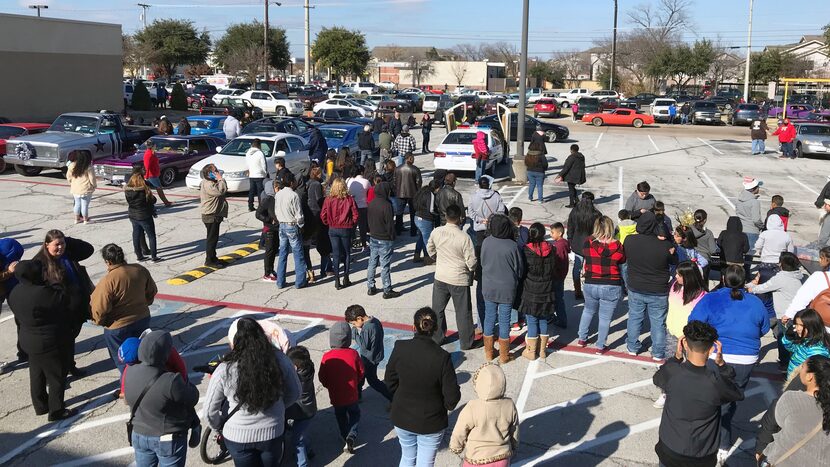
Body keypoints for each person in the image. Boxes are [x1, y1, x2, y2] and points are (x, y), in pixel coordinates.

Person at [689, 265, 770, 462]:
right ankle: (723, 444)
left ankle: (705, 437)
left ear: (723, 279)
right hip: (745, 360)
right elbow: (764, 328)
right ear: (745, 281)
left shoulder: (711, 298)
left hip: (716, 355)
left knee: (709, 399)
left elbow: (694, 322)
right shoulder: (755, 302)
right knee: (729, 400)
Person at [205, 318, 301, 465]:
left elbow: (209, 411)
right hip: (272, 430)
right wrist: (279, 408)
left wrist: (219, 428)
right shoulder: (280, 360)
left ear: (235, 342)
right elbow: (295, 392)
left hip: (237, 436)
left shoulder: (225, 369)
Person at [653, 321, 744, 467]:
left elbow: (657, 378)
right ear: (711, 350)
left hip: (670, 448)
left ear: (685, 345)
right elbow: (737, 393)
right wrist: (722, 366)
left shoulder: (672, 372)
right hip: (701, 455)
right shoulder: (716, 382)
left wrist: (676, 358)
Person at [385, 307, 461, 467]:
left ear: (414, 327)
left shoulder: (400, 348)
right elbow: (452, 399)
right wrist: (443, 406)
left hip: (402, 416)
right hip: (431, 421)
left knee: (407, 457)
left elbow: (389, 381)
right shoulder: (442, 357)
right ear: (435, 329)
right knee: (425, 462)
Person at [8, 260, 75, 420]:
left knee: (36, 374)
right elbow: (63, 299)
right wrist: (55, 282)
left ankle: (41, 405)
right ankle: (56, 410)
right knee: (56, 376)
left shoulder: (15, 292)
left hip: (28, 339)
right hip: (48, 341)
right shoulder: (43, 293)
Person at [124, 330, 199, 467]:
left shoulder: (129, 370)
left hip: (139, 434)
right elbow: (192, 397)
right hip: (166, 438)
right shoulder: (170, 380)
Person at [33, 230, 95, 378]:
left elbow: (88, 249)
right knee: (58, 346)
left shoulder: (68, 254)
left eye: (63, 243)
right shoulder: (40, 262)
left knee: (69, 341)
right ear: (47, 245)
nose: (60, 247)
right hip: (58, 312)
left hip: (75, 310)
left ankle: (70, 366)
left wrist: (67, 239)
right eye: (57, 244)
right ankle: (55, 375)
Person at [90, 244, 157, 376]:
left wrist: (100, 321)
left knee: (123, 360)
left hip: (118, 327)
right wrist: (143, 305)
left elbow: (99, 309)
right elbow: (151, 291)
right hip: (142, 318)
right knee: (142, 353)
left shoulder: (108, 281)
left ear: (107, 261)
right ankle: (148, 377)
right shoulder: (139, 270)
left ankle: (128, 387)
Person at [653, 261, 707, 409]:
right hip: (672, 334)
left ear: (688, 277)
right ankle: (665, 393)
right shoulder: (674, 287)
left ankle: (687, 396)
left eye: (679, 274)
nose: (675, 276)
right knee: (670, 365)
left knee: (690, 368)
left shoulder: (702, 295)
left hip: (690, 339)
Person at [759, 355, 830, 466]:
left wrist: (761, 449)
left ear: (809, 377)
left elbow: (776, 421)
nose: (800, 369)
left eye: (802, 367)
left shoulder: (791, 399)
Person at [624, 211, 677, 360]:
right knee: (658, 322)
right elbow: (674, 261)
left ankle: (633, 347)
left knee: (634, 317)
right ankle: (658, 352)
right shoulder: (665, 245)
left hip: (636, 286)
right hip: (658, 289)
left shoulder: (630, 240)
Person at [449, 363, 519, 467]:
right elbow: (514, 429)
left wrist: (456, 447)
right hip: (502, 457)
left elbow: (460, 431)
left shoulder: (472, 406)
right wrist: (514, 445)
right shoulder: (509, 404)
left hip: (476, 458)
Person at [427, 204, 477, 349]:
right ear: (460, 218)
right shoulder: (464, 237)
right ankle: (466, 342)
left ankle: (437, 337)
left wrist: (438, 259)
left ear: (446, 216)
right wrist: (471, 269)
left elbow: (430, 249)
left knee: (437, 310)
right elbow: (471, 261)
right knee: (463, 312)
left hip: (441, 276)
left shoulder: (437, 232)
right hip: (459, 279)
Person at [576, 216, 626, 355]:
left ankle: (582, 338)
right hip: (611, 284)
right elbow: (622, 260)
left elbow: (585, 254)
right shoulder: (618, 246)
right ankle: (600, 345)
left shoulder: (588, 242)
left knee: (588, 311)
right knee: (605, 318)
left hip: (591, 282)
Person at [747, 252, 804, 370]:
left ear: (782, 264)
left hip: (785, 315)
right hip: (797, 313)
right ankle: (790, 362)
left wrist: (750, 289)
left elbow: (764, 287)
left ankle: (785, 365)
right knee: (793, 339)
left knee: (783, 339)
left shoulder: (782, 277)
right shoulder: (797, 275)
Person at [481, 213, 524, 363]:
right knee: (505, 320)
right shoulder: (512, 246)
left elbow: (482, 262)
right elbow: (519, 269)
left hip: (488, 286)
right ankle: (504, 355)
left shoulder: (486, 242)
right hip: (506, 288)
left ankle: (489, 352)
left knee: (489, 318)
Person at [318, 321, 364, 454]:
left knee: (340, 416)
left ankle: (345, 436)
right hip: (351, 395)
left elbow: (322, 377)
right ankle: (352, 434)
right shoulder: (353, 354)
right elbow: (361, 372)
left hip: (336, 396)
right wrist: (357, 382)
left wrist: (329, 386)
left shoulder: (327, 357)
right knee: (355, 414)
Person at [519, 223, 558, 360]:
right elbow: (554, 268)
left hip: (531, 289)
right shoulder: (551, 249)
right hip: (547, 289)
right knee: (543, 318)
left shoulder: (526, 250)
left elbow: (522, 271)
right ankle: (542, 351)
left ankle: (531, 351)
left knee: (532, 319)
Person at [345, 305, 393, 401]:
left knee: (373, 381)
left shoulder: (367, 328)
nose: (354, 326)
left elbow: (364, 345)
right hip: (376, 355)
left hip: (369, 359)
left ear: (359, 318)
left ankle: (392, 398)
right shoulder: (375, 321)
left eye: (354, 323)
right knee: (360, 375)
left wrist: (355, 333)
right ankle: (358, 395)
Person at [320, 177, 359, 289]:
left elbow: (323, 215)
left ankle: (337, 279)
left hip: (333, 228)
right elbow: (355, 215)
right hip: (345, 228)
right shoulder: (349, 199)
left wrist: (328, 222)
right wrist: (351, 223)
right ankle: (346, 277)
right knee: (346, 253)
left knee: (336, 254)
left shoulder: (328, 199)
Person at [754, 214, 796, 315]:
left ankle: (762, 312)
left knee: (763, 289)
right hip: (779, 266)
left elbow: (757, 246)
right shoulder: (786, 235)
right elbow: (791, 252)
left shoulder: (765, 234)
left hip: (765, 265)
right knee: (776, 290)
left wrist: (761, 251)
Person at [366, 181, 401, 299]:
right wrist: (393, 236)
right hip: (384, 238)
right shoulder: (387, 205)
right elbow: (390, 224)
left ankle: (371, 287)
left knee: (372, 262)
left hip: (373, 236)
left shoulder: (371, 203)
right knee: (385, 265)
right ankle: (387, 290)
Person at [272, 173, 308, 289]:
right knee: (298, 254)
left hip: (282, 224)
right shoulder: (294, 195)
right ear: (292, 182)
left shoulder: (278, 194)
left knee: (282, 253)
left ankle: (280, 281)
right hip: (292, 225)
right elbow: (299, 215)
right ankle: (300, 281)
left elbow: (276, 211)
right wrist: (301, 226)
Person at [285, 346, 317, 467]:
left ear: (294, 367)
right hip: (309, 410)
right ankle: (309, 450)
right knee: (300, 433)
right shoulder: (309, 368)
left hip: (301, 412)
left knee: (297, 440)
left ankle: (302, 464)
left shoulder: (296, 379)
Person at [785, 247, 830, 332]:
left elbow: (801, 298)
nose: (819, 260)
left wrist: (789, 315)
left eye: (821, 258)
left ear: (827, 260)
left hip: (821, 327)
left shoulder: (818, 277)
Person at [567, 194, 602, 300]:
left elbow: (570, 227)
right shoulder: (596, 214)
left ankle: (577, 290)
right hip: (591, 245)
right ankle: (590, 290)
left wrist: (570, 240)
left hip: (577, 244)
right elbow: (599, 231)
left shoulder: (575, 212)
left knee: (576, 268)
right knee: (591, 268)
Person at [780, 308, 830, 377]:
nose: (798, 328)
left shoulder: (816, 350)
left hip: (801, 383)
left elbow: (815, 375)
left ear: (813, 326)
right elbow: (792, 349)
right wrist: (788, 338)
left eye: (802, 325)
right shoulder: (806, 339)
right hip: (793, 378)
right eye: (796, 324)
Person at [124, 173, 161, 262]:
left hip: (133, 215)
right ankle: (154, 257)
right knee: (151, 236)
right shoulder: (144, 191)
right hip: (144, 216)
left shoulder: (128, 191)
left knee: (136, 235)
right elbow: (153, 200)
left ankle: (139, 256)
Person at [199, 164, 228, 269]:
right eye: (215, 171)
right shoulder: (209, 185)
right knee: (212, 239)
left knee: (214, 238)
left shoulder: (210, 182)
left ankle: (213, 258)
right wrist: (221, 179)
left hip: (214, 214)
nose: (217, 172)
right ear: (209, 174)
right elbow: (221, 191)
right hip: (211, 215)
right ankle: (209, 261)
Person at [256, 178, 281, 282]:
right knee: (269, 251)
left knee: (274, 250)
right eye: (277, 188)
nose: (278, 190)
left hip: (277, 229)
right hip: (269, 230)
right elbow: (258, 214)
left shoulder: (278, 198)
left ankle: (271, 269)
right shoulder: (267, 199)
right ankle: (267, 273)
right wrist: (269, 220)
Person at [412, 180, 441, 265]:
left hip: (417, 217)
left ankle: (416, 255)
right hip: (426, 220)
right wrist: (437, 214)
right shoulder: (431, 194)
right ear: (436, 188)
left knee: (421, 238)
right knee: (427, 240)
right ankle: (427, 258)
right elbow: (431, 209)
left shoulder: (422, 192)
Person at [549, 222, 571, 329]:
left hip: (557, 276)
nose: (550, 234)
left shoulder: (558, 246)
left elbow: (557, 262)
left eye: (552, 232)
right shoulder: (563, 244)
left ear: (560, 233)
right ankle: (558, 317)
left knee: (557, 299)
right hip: (560, 275)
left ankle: (561, 320)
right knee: (558, 298)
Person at [395, 153, 422, 235]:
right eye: (413, 158)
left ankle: (398, 230)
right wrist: (418, 191)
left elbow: (394, 181)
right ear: (409, 158)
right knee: (413, 213)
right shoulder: (415, 169)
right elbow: (419, 182)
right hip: (412, 194)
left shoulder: (397, 169)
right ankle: (413, 231)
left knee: (399, 213)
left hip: (400, 193)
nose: (413, 160)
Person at [735, 176, 764, 254]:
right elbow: (756, 219)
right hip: (752, 231)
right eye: (758, 186)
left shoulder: (739, 200)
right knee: (749, 256)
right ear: (754, 188)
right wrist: (762, 226)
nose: (759, 188)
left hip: (740, 230)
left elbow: (737, 213)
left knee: (740, 254)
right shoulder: (754, 202)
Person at [66, 150, 96, 224]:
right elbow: (92, 178)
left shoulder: (71, 165)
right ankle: (85, 219)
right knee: (85, 205)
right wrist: (94, 185)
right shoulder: (89, 167)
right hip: (86, 188)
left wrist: (71, 182)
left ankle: (76, 219)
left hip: (75, 188)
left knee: (77, 204)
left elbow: (68, 176)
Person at [346, 165, 371, 250]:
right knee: (362, 227)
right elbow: (370, 191)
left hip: (352, 207)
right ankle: (364, 244)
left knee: (352, 227)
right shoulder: (366, 181)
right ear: (362, 172)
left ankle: (352, 243)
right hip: (363, 206)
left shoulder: (350, 181)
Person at [691, 209, 717, 287]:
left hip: (691, 259)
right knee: (703, 283)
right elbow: (713, 250)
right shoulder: (708, 233)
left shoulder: (689, 230)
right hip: (704, 261)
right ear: (705, 220)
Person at [143, 140, 173, 207]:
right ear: (153, 146)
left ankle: (164, 202)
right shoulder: (149, 154)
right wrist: (146, 176)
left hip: (154, 174)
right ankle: (166, 202)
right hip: (151, 175)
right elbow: (147, 166)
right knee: (158, 188)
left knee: (151, 189)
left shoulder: (152, 153)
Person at [245, 139, 268, 212]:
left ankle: (250, 206)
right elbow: (263, 164)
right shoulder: (260, 153)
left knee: (251, 191)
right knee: (260, 191)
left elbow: (247, 164)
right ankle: (261, 206)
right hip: (260, 175)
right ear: (259, 145)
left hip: (252, 174)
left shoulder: (248, 153)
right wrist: (265, 173)